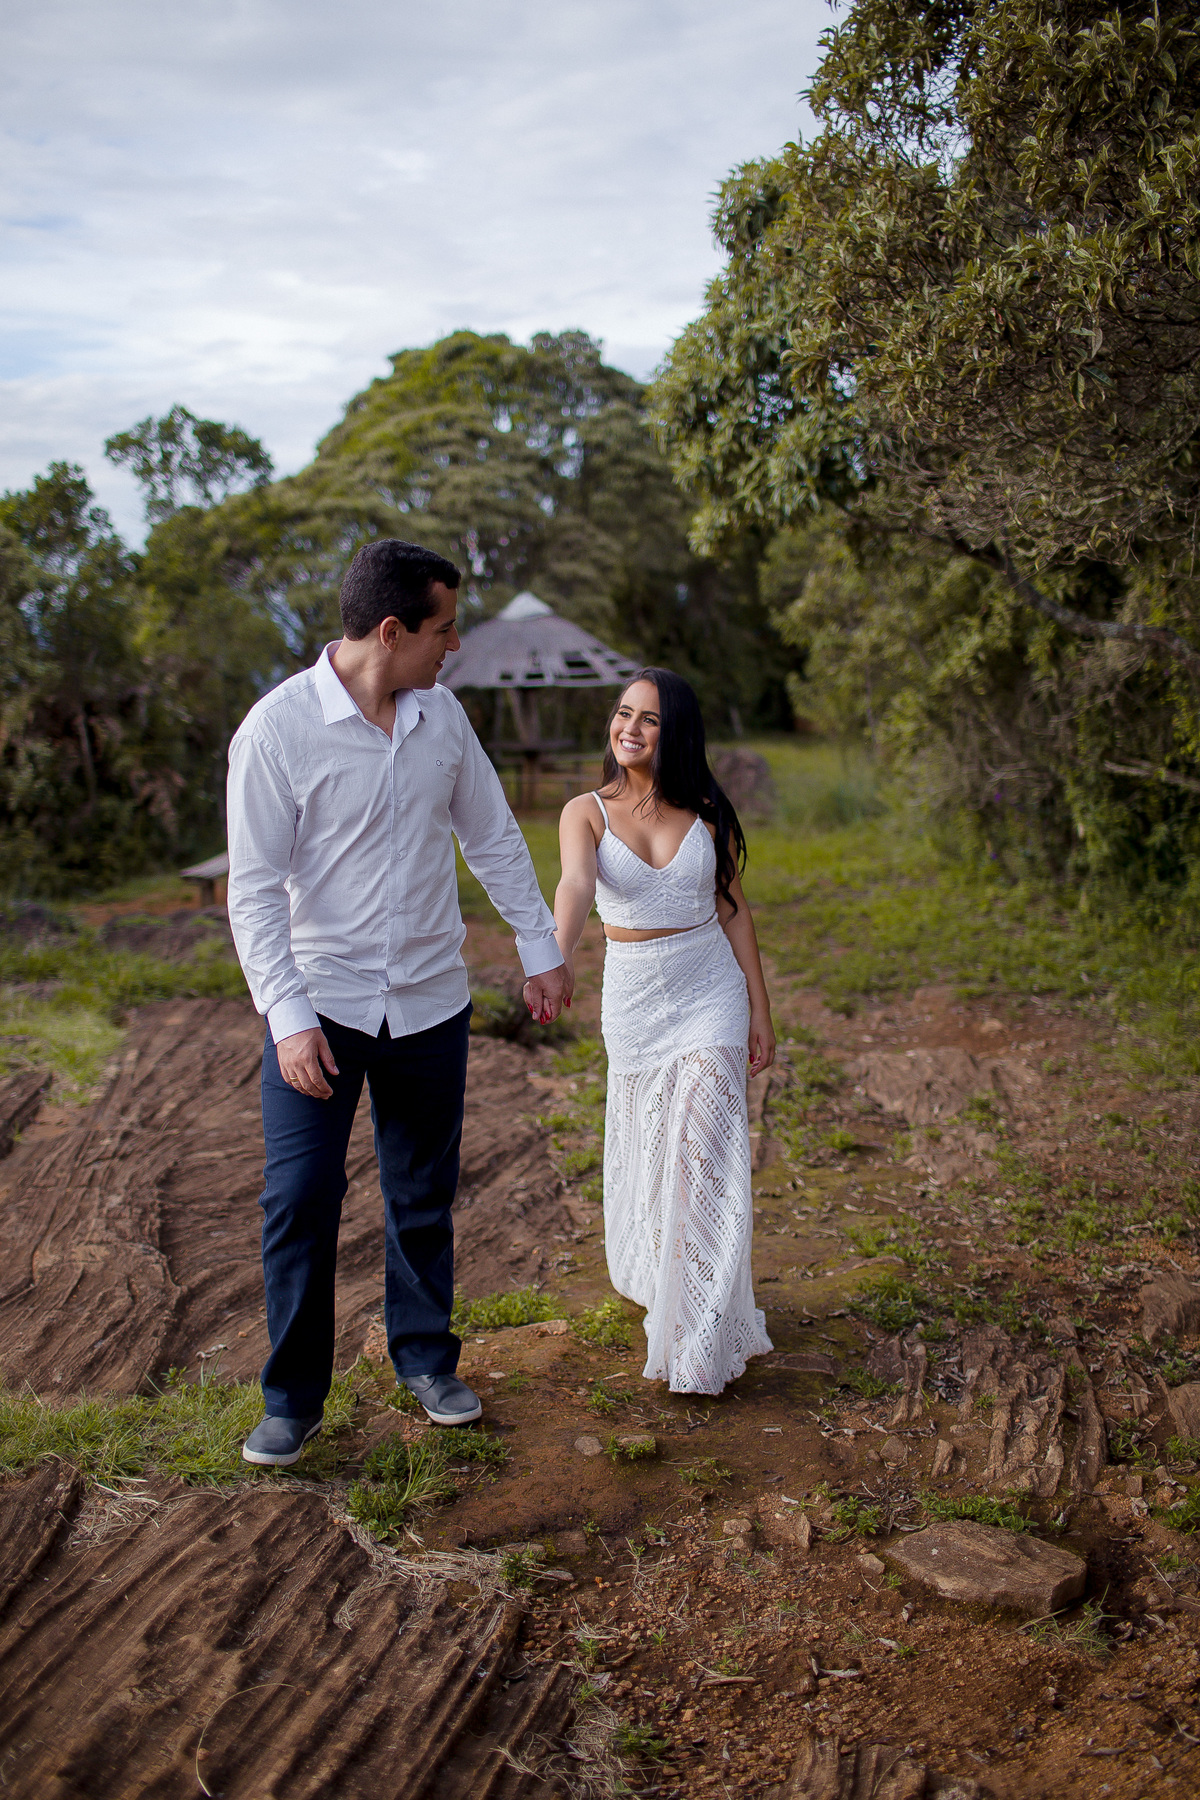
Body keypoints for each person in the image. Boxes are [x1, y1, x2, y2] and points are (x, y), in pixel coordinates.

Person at [226, 539, 570, 1466]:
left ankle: (424, 1360)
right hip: (321, 1009)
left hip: (429, 1003)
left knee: (422, 1193)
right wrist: (288, 1019)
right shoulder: (277, 730)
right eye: (443, 628)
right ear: (391, 631)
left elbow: (491, 835)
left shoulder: (442, 717)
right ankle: (292, 1400)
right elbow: (252, 892)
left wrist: (540, 947)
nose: (453, 645)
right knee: (300, 1198)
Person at [553, 670, 775, 1395]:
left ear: (674, 731)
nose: (630, 728)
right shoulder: (585, 812)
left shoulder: (706, 812)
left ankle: (699, 1331)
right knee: (655, 1148)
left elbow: (733, 909)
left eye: (649, 718)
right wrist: (556, 959)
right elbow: (576, 887)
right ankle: (666, 1278)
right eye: (624, 713)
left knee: (702, 1152)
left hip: (710, 990)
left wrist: (759, 1008)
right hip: (636, 1002)